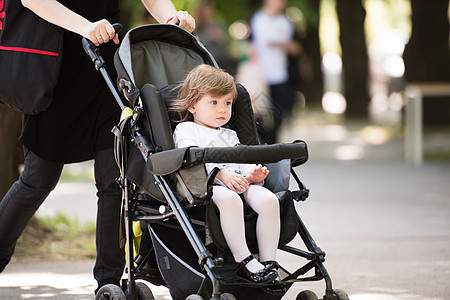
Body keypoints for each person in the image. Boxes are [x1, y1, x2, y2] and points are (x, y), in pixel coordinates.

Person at [0, 0, 195, 293]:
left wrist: (173, 18)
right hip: (55, 68)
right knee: (38, 180)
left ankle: (109, 284)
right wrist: (86, 27)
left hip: (106, 67)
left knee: (113, 183)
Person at [170, 64, 280, 284]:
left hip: (238, 181)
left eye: (227, 103)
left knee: (269, 200)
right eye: (214, 103)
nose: (223, 110)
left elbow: (240, 159)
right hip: (205, 185)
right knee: (230, 199)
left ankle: (268, 262)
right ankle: (245, 260)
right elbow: (190, 159)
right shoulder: (186, 130)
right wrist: (220, 175)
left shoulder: (229, 135)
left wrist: (253, 174)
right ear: (192, 105)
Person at [249, 0, 301, 144]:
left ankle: (273, 145)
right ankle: (262, 145)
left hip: (280, 75)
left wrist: (280, 44)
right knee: (260, 114)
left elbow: (297, 48)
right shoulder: (256, 19)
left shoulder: (286, 22)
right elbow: (249, 46)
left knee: (278, 114)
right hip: (260, 76)